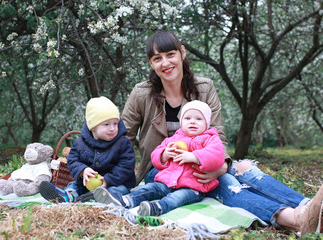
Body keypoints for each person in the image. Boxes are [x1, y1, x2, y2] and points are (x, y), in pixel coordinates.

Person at [120, 30, 323, 236]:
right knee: (228, 185)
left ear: (182, 53)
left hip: (205, 160)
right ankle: (296, 219)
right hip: (163, 170)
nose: (165, 63)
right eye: (157, 58)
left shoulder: (204, 88)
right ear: (151, 63)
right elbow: (122, 139)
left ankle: (312, 207)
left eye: (170, 54)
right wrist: (115, 180)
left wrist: (222, 166)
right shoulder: (141, 93)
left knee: (244, 168)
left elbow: (218, 135)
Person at [94, 100, 225, 216]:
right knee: (150, 188)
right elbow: (155, 155)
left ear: (207, 123)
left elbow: (217, 157)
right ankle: (126, 200)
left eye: (198, 119)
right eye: (188, 118)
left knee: (176, 198)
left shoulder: (210, 138)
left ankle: (157, 208)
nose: (192, 122)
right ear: (181, 122)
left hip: (192, 187)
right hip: (167, 182)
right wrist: (164, 154)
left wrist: (194, 157)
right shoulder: (174, 138)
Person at [39, 96, 136, 203]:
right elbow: (72, 160)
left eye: (115, 123)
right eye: (106, 124)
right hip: (87, 183)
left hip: (117, 183)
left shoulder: (123, 143)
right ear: (93, 127)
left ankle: (99, 197)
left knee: (118, 190)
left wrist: (108, 180)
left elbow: (126, 165)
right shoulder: (80, 143)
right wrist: (82, 170)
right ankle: (68, 195)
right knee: (75, 184)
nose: (112, 128)